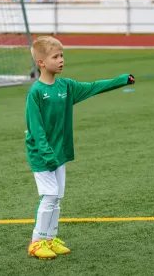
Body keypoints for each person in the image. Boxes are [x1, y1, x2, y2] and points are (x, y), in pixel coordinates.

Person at [25, 36, 135, 260]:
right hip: (43, 156)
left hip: (60, 154)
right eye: (56, 57)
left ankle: (50, 239)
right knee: (50, 195)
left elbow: (94, 87)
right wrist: (47, 154)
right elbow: (35, 129)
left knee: (57, 197)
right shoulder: (35, 93)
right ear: (41, 63)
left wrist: (122, 80)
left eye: (62, 55)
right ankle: (36, 242)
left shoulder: (67, 86)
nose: (61, 60)